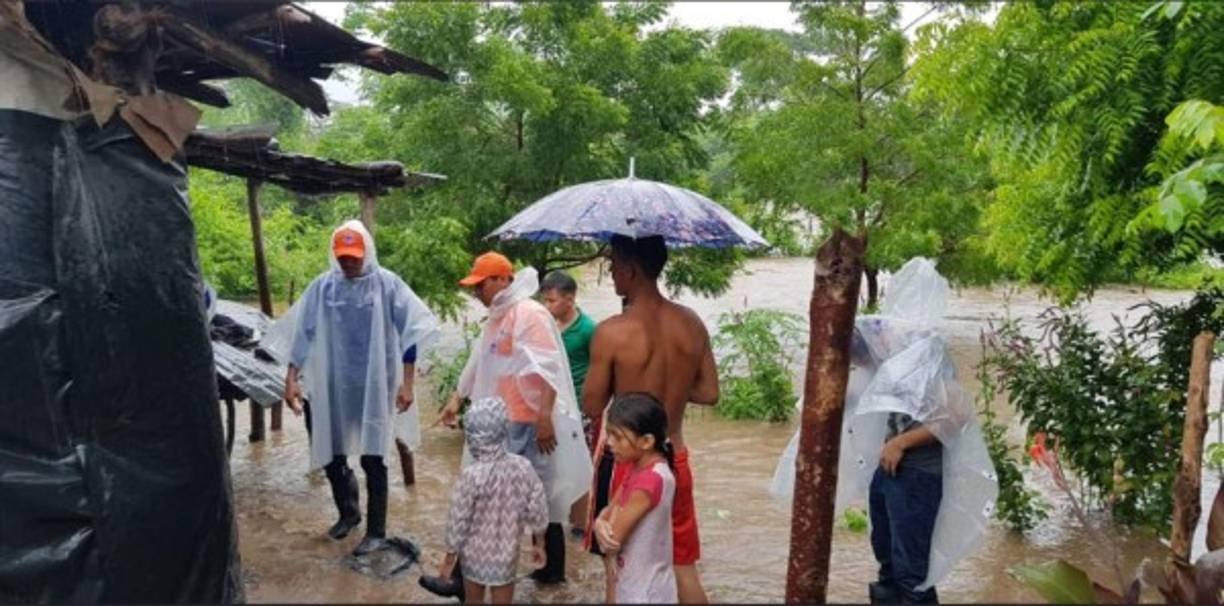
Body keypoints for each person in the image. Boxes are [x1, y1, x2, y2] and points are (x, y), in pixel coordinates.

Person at [769, 257, 998, 605]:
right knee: (888, 563)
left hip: (918, 471)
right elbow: (860, 391)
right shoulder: (883, 344)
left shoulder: (924, 351)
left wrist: (902, 442)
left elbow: (958, 414)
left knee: (911, 572)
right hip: (889, 470)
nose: (858, 364)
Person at [433, 252, 592, 593]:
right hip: (503, 420)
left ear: (502, 280)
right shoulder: (500, 314)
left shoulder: (528, 313)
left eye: (481, 284)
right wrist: (455, 398)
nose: (476, 292)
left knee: (530, 495)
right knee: (504, 494)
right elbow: (480, 358)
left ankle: (529, 575)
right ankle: (538, 577)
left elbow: (549, 368)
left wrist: (545, 418)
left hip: (528, 422)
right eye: (474, 286)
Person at [282, 220, 440, 557]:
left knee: (373, 457)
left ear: (366, 252)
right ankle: (348, 512)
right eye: (343, 257)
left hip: (375, 385)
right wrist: (291, 378)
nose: (348, 263)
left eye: (354, 256)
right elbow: (302, 334)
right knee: (331, 453)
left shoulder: (387, 284)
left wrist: (407, 384)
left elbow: (411, 332)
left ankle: (377, 531)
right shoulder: (323, 287)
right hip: (333, 385)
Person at [582, 235, 718, 605]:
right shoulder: (691, 323)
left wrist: (627, 386)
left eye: (613, 266)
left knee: (618, 558)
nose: (610, 274)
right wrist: (671, 384)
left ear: (631, 270)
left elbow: (593, 405)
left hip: (630, 460)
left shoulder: (611, 331)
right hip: (675, 456)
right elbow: (709, 393)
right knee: (682, 565)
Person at [433, 397, 549, 605]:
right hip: (506, 558)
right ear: (504, 429)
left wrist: (449, 559)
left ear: (471, 437)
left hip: (473, 558)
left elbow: (457, 521)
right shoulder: (522, 468)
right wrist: (539, 543)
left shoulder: (471, 476)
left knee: (473, 601)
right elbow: (537, 509)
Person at [592, 393, 677, 604]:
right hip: (647, 585)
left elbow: (611, 541)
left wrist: (599, 524)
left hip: (642, 591)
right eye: (608, 434)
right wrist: (600, 522)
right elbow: (609, 512)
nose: (609, 443)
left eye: (617, 437)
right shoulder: (642, 468)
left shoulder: (648, 481)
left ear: (647, 441)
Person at [539, 270, 598, 538]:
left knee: (580, 464)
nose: (547, 306)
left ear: (570, 299)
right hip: (549, 407)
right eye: (545, 300)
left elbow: (598, 369)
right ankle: (552, 519)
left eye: (552, 301)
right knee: (551, 464)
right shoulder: (544, 326)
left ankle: (578, 524)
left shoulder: (588, 330)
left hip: (578, 410)